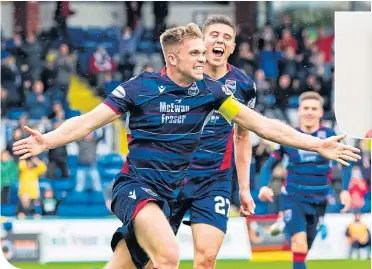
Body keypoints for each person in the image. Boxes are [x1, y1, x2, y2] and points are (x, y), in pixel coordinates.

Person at [13, 23, 360, 269]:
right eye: (195, 52)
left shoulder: (210, 92)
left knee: (127, 265)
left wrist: (317, 145)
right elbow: (87, 121)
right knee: (168, 255)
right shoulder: (140, 87)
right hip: (135, 188)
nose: (203, 57)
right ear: (173, 59)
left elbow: (263, 126)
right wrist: (49, 139)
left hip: (171, 193)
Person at [172, 15, 256, 269]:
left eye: (227, 38)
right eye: (214, 35)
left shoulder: (243, 86)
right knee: (156, 259)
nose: (220, 41)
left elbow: (242, 136)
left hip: (213, 181)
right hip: (171, 177)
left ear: (232, 48)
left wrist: (243, 188)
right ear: (202, 42)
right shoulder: (178, 77)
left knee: (207, 259)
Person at [258, 91, 353, 269]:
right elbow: (268, 165)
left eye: (314, 109)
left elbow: (346, 162)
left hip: (319, 201)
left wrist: (345, 190)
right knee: (299, 245)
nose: (309, 112)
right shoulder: (288, 136)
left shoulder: (330, 135)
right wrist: (264, 186)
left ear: (320, 112)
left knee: (303, 250)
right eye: (306, 108)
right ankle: (287, 221)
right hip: (293, 198)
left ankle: (286, 226)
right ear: (299, 111)